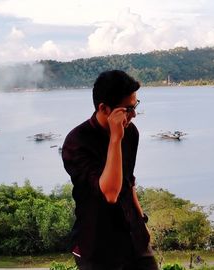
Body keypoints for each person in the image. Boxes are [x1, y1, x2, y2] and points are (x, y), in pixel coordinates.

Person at [62, 70, 158, 270]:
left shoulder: (131, 132)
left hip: (134, 237)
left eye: (135, 106)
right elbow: (110, 192)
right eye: (127, 109)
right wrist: (115, 138)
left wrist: (142, 222)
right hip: (97, 245)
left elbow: (128, 181)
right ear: (104, 108)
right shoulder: (77, 142)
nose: (134, 114)